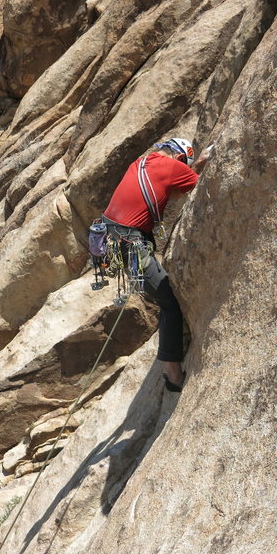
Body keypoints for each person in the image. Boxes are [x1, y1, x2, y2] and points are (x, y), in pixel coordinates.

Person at [102, 137, 212, 392]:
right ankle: (172, 371)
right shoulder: (173, 167)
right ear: (179, 158)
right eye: (184, 163)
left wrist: (190, 166)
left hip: (113, 236)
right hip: (129, 242)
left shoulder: (141, 162)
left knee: (160, 293)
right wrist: (201, 164)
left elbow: (168, 183)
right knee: (169, 301)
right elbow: (199, 185)